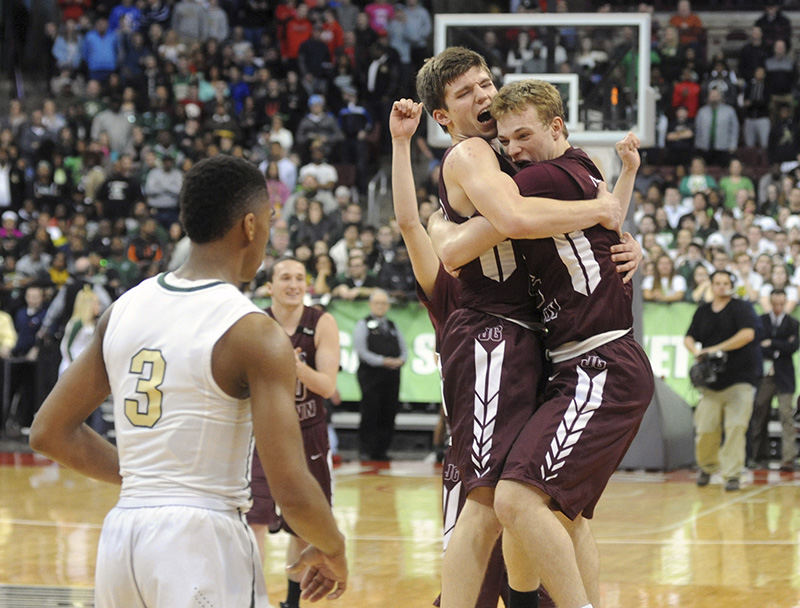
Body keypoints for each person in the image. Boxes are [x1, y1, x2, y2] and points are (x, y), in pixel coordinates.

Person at [29, 155, 347, 607]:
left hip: (123, 539)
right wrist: (334, 546)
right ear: (250, 226)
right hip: (203, 543)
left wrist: (149, 480)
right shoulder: (253, 330)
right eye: (270, 223)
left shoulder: (124, 308)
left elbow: (48, 431)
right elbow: (291, 489)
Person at [421, 76, 651, 608]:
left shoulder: (542, 176)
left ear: (557, 126)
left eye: (523, 136)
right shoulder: (566, 171)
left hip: (595, 361)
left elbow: (491, 228)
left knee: (509, 501)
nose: (514, 150)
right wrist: (613, 212)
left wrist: (444, 231)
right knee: (553, 515)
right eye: (507, 142)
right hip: (561, 359)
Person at [248, 256, 341, 608]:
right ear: (269, 286)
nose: (293, 284)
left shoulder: (321, 322)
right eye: (285, 277)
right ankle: (252, 598)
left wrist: (294, 365)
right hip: (263, 434)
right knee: (253, 521)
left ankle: (291, 602)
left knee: (303, 527)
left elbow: (327, 384)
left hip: (308, 433)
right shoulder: (255, 323)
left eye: (299, 278)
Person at [684, 270, 760, 492]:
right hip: (711, 384)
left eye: (725, 283)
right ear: (711, 285)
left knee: (736, 427)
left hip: (740, 379)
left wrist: (715, 349)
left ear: (732, 285)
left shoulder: (742, 308)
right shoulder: (703, 311)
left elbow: (748, 334)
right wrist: (696, 351)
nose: (721, 287)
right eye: (717, 283)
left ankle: (733, 474)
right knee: (706, 429)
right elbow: (689, 337)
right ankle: (707, 467)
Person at [747, 288, 799, 472]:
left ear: (785, 303)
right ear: (770, 302)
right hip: (766, 375)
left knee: (786, 416)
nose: (778, 307)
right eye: (775, 303)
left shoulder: (793, 323)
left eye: (781, 303)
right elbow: (758, 346)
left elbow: (792, 346)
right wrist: (779, 347)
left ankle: (788, 458)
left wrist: (773, 344)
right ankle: (758, 456)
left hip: (785, 377)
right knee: (760, 412)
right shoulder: (761, 321)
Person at [353, 289, 407, 461]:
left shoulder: (392, 326)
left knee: (389, 411)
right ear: (370, 304)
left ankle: (382, 450)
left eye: (384, 303)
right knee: (370, 411)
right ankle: (366, 449)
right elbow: (362, 351)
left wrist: (400, 360)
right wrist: (383, 361)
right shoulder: (363, 324)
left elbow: (404, 349)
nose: (380, 306)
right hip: (371, 376)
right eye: (377, 303)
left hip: (391, 376)